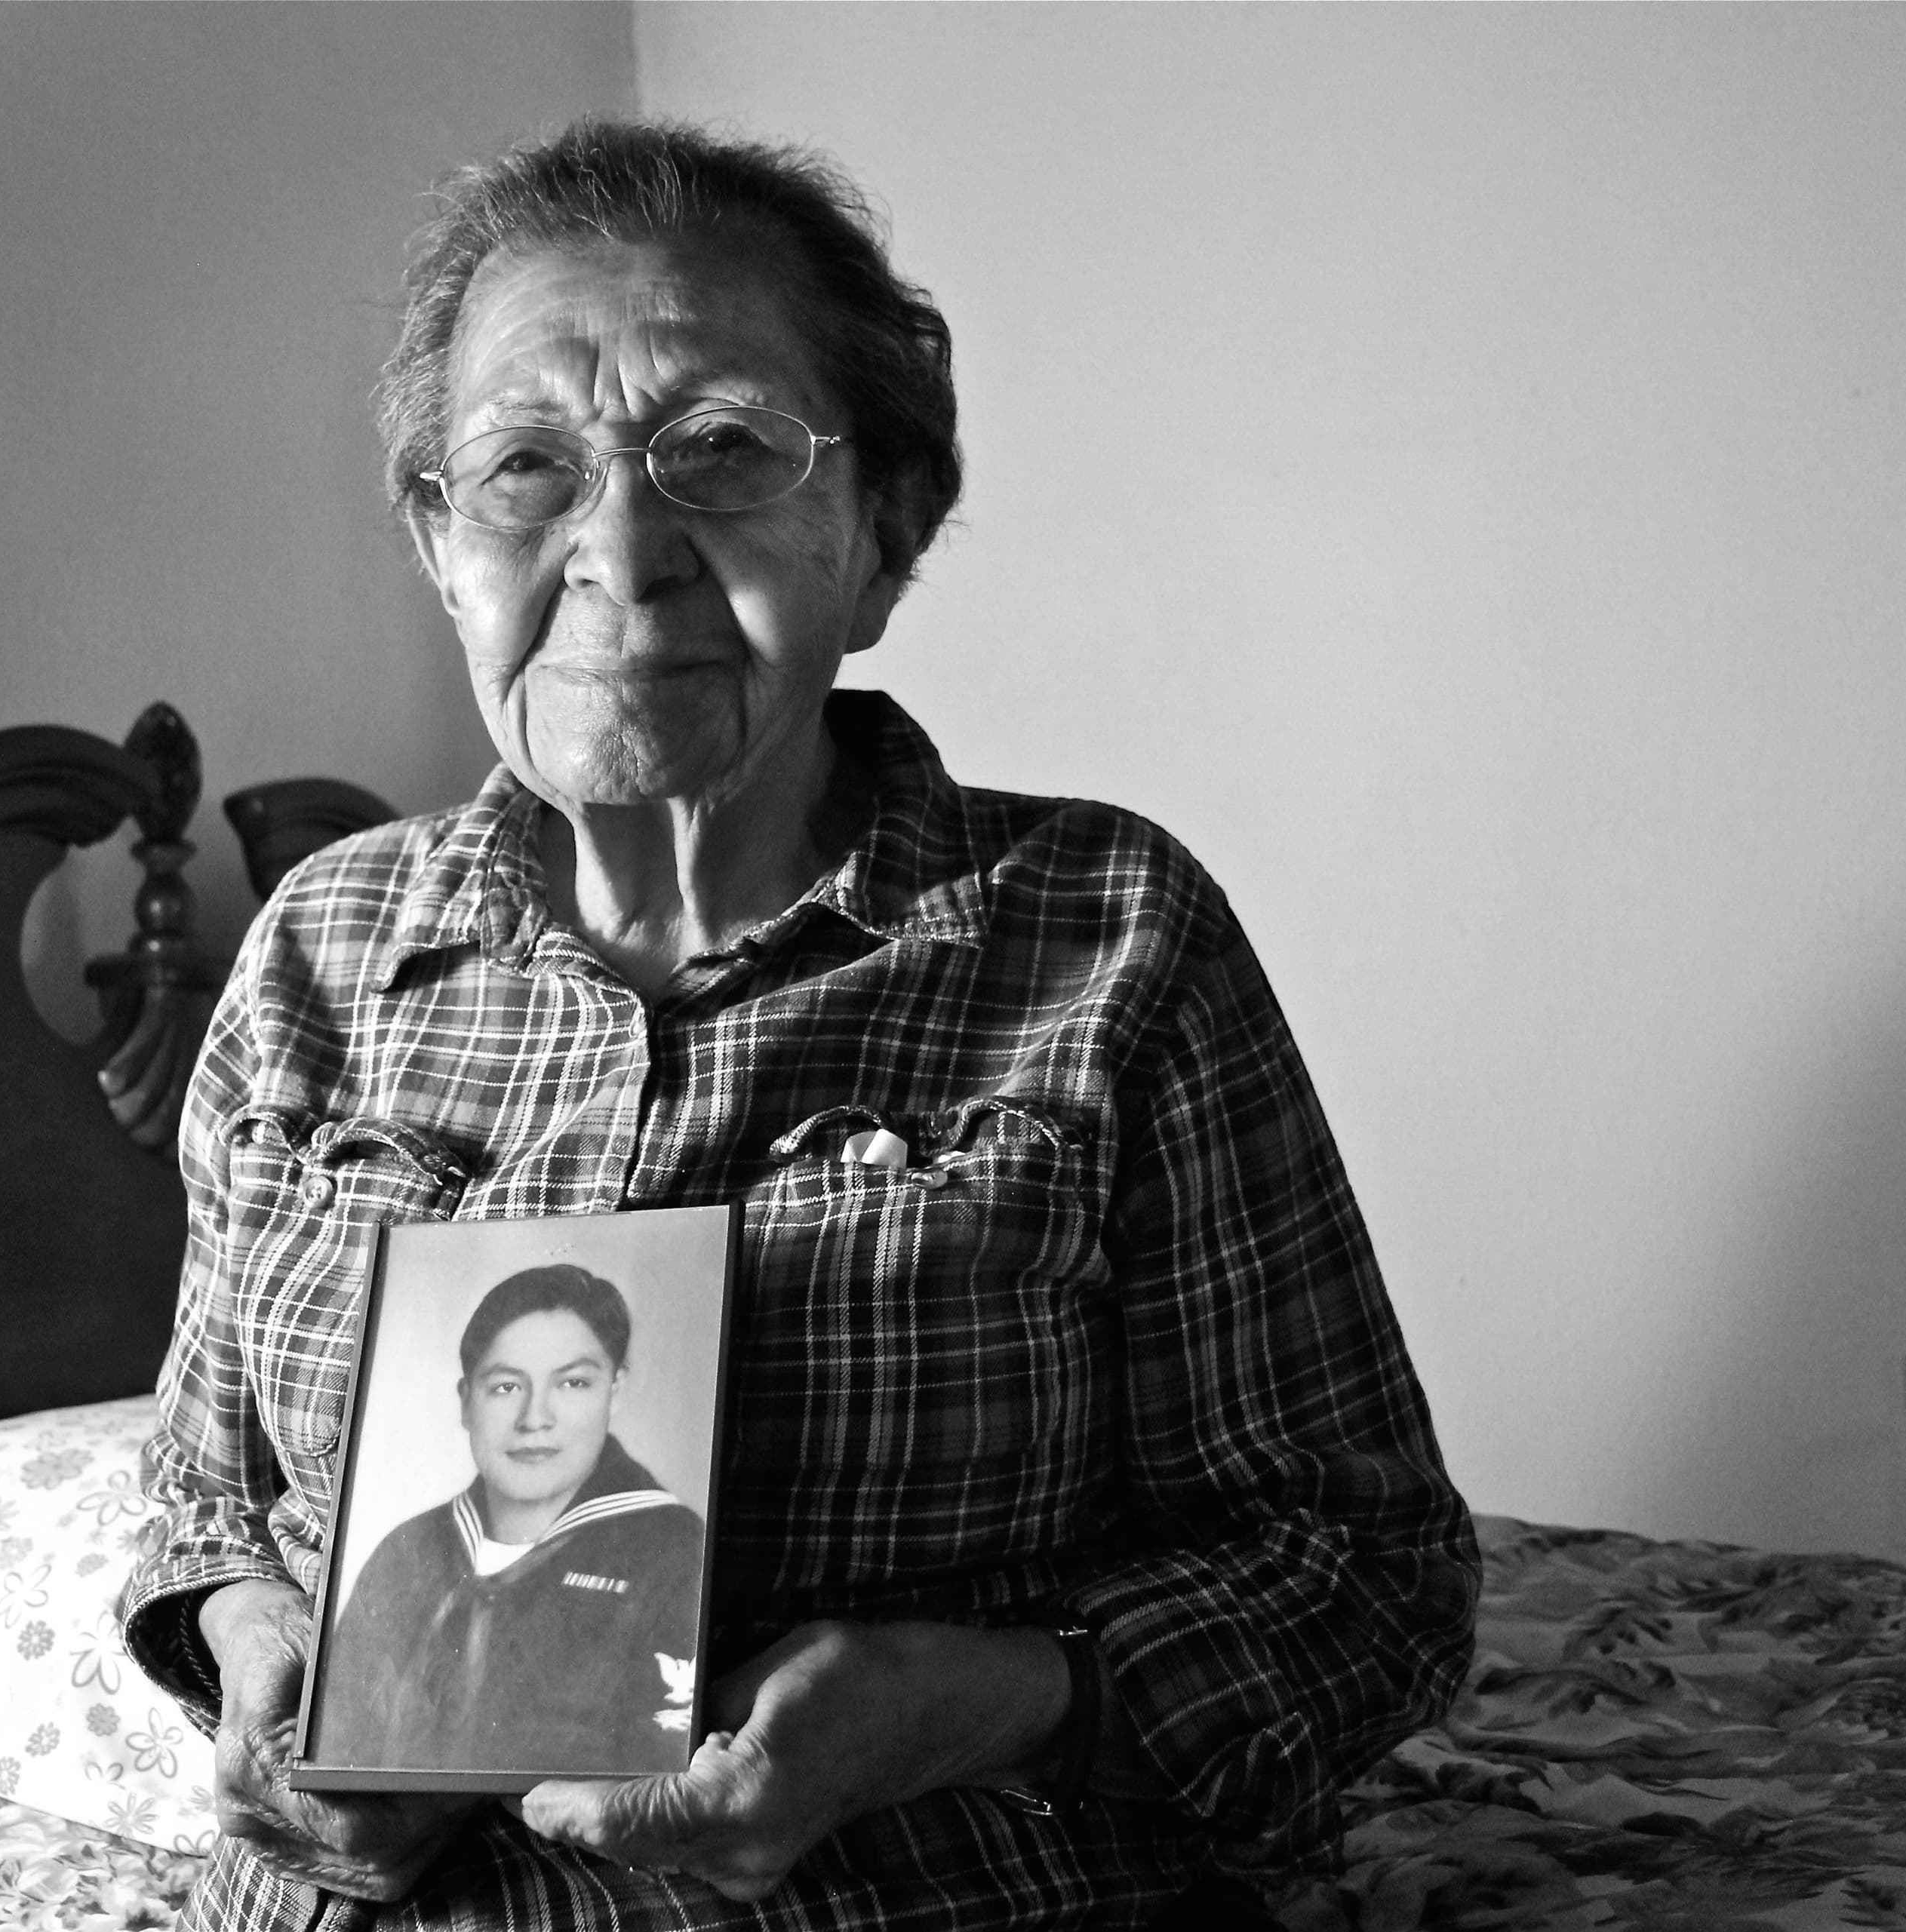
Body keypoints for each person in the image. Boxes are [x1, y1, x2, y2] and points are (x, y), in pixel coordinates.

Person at [123, 118, 1480, 1931]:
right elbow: (203, 1497)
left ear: (883, 530)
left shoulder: (1107, 930)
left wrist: (965, 1696)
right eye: (525, 466)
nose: (623, 552)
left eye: (726, 449)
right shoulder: (321, 942)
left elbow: (1370, 1581)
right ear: (443, 544)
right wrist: (256, 1650)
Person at [312, 1264, 705, 1776]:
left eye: (574, 1383)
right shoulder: (407, 1552)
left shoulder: (674, 1554)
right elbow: (341, 1745)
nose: (535, 1418)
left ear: (616, 1388)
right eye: (505, 1387)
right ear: (465, 1401)